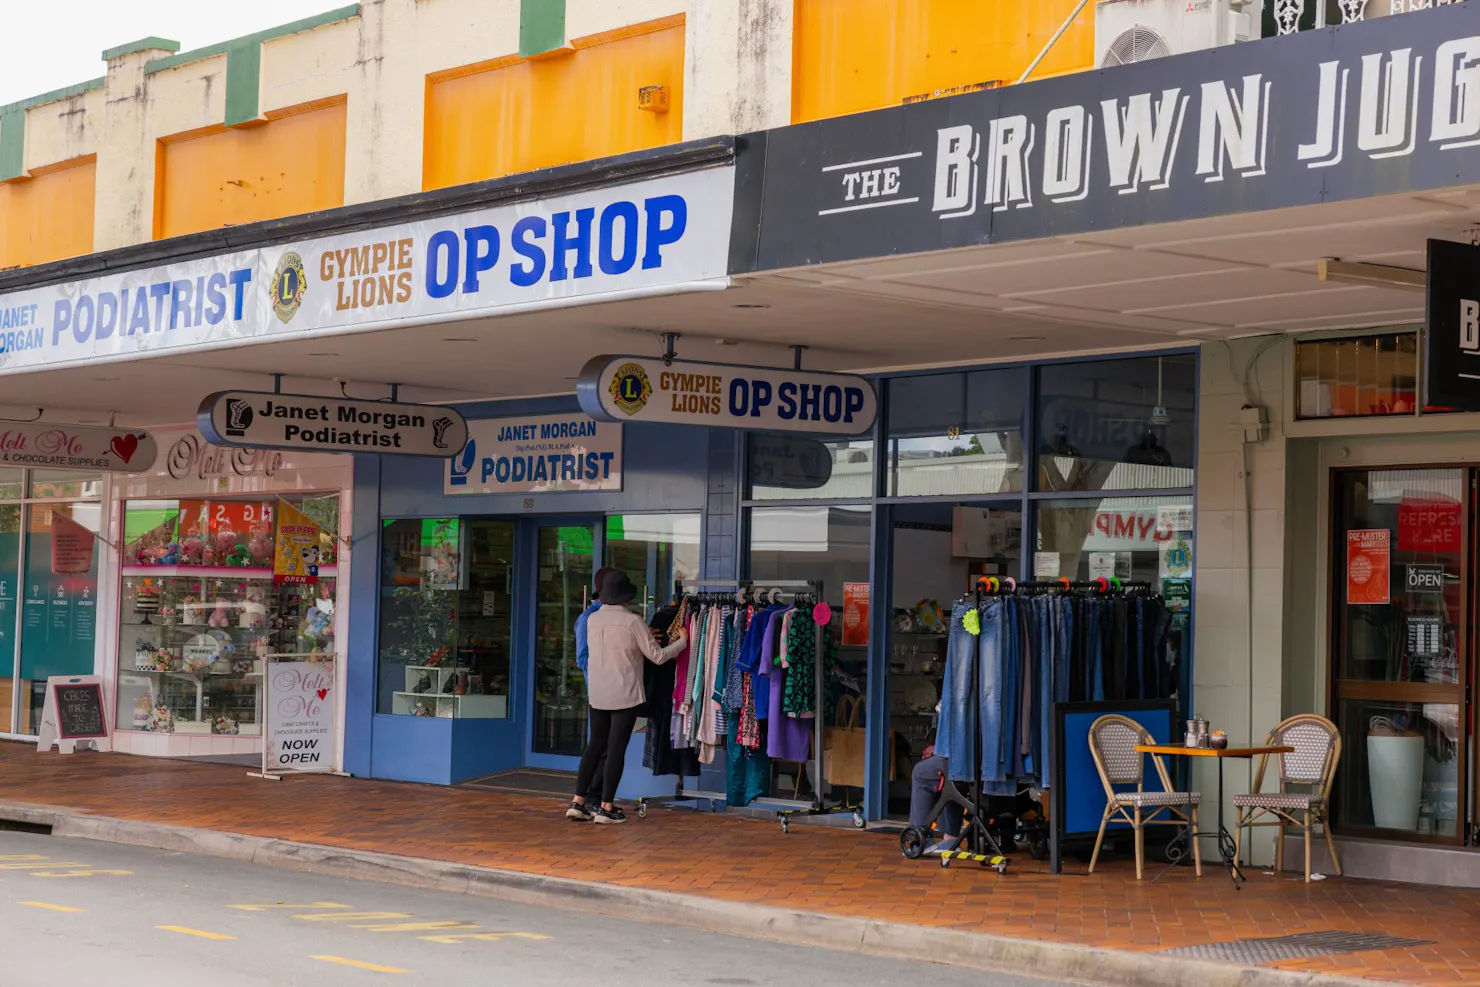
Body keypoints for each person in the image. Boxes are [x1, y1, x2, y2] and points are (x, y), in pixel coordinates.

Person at [567, 570, 686, 824]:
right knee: (616, 749)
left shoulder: (592, 620)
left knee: (595, 745)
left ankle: (577, 802)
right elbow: (658, 656)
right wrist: (682, 643)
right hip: (625, 693)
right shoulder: (632, 621)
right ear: (625, 596)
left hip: (598, 693)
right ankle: (606, 807)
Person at [572, 566, 616, 807]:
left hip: (615, 689)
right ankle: (590, 797)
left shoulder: (616, 616)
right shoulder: (588, 618)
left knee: (608, 746)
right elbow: (582, 658)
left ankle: (594, 797)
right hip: (600, 690)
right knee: (601, 745)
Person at [909, 744, 963, 855]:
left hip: (965, 762)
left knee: (921, 771)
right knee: (946, 778)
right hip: (989, 765)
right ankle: (951, 838)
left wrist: (940, 748)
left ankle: (921, 840)